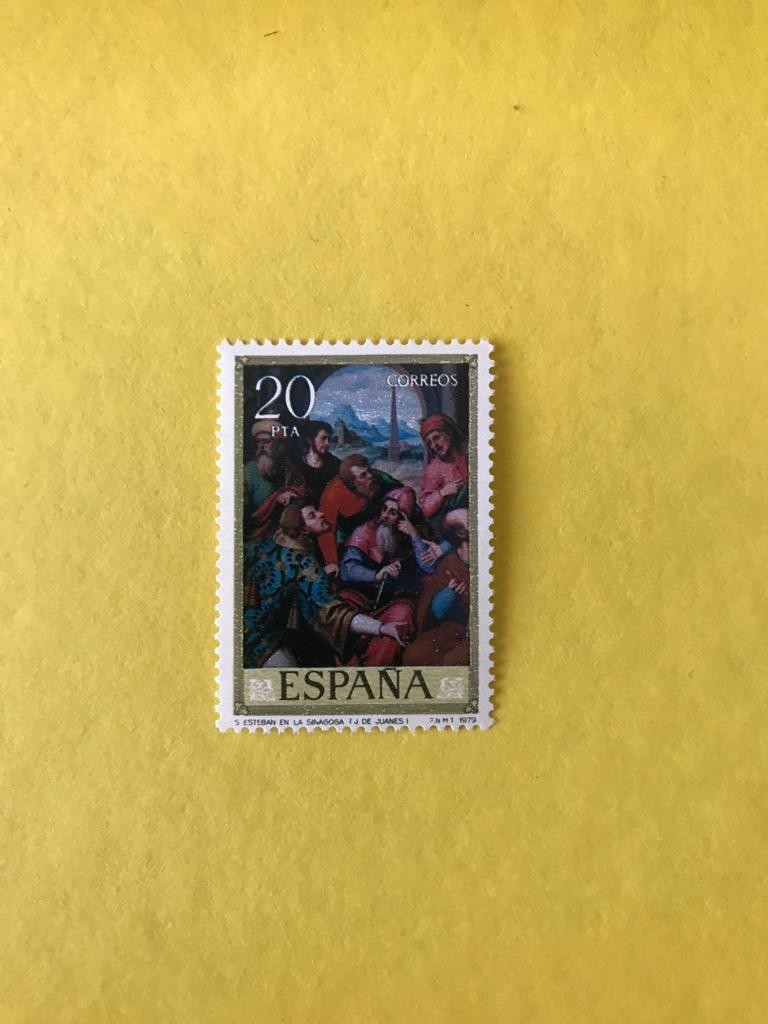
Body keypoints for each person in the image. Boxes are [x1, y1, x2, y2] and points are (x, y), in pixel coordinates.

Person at [243, 501, 408, 669]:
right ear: (304, 529)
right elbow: (332, 612)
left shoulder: (260, 545)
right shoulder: (305, 564)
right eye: (312, 515)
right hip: (263, 643)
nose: (321, 514)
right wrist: (382, 628)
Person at [338, 488, 436, 666]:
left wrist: (414, 535)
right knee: (343, 611)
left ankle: (375, 669)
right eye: (384, 509)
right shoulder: (364, 532)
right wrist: (375, 575)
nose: (385, 515)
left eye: (393, 513)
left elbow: (429, 568)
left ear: (403, 518)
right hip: (360, 597)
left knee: (402, 615)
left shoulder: (409, 536)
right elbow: (348, 569)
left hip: (392, 602)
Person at [404, 508, 470, 666]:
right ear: (461, 533)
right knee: (414, 655)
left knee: (453, 661)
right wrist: (449, 593)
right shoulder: (449, 563)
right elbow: (434, 611)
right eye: (471, 520)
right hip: (457, 627)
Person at [317, 454, 401, 577]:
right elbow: (326, 530)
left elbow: (403, 493)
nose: (370, 476)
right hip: (351, 536)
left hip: (380, 525)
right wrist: (332, 562)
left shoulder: (377, 478)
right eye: (363, 475)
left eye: (368, 471)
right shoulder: (332, 494)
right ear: (352, 484)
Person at [417, 413, 469, 520]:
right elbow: (425, 507)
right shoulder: (434, 468)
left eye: (436, 437)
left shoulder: (472, 449)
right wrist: (443, 492)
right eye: (429, 443)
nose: (434, 445)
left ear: (449, 432)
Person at [286, 420, 340, 504]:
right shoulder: (296, 463)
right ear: (310, 440)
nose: (327, 443)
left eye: (329, 439)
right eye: (323, 438)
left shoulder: (335, 464)